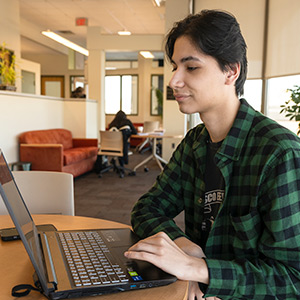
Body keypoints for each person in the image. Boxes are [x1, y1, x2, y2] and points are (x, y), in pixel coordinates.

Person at [124, 9, 300, 300]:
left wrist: (200, 269)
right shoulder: (196, 142)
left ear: (231, 71)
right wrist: (185, 245)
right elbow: (147, 209)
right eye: (175, 67)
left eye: (191, 67)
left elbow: (292, 277)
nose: (174, 81)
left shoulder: (279, 153)